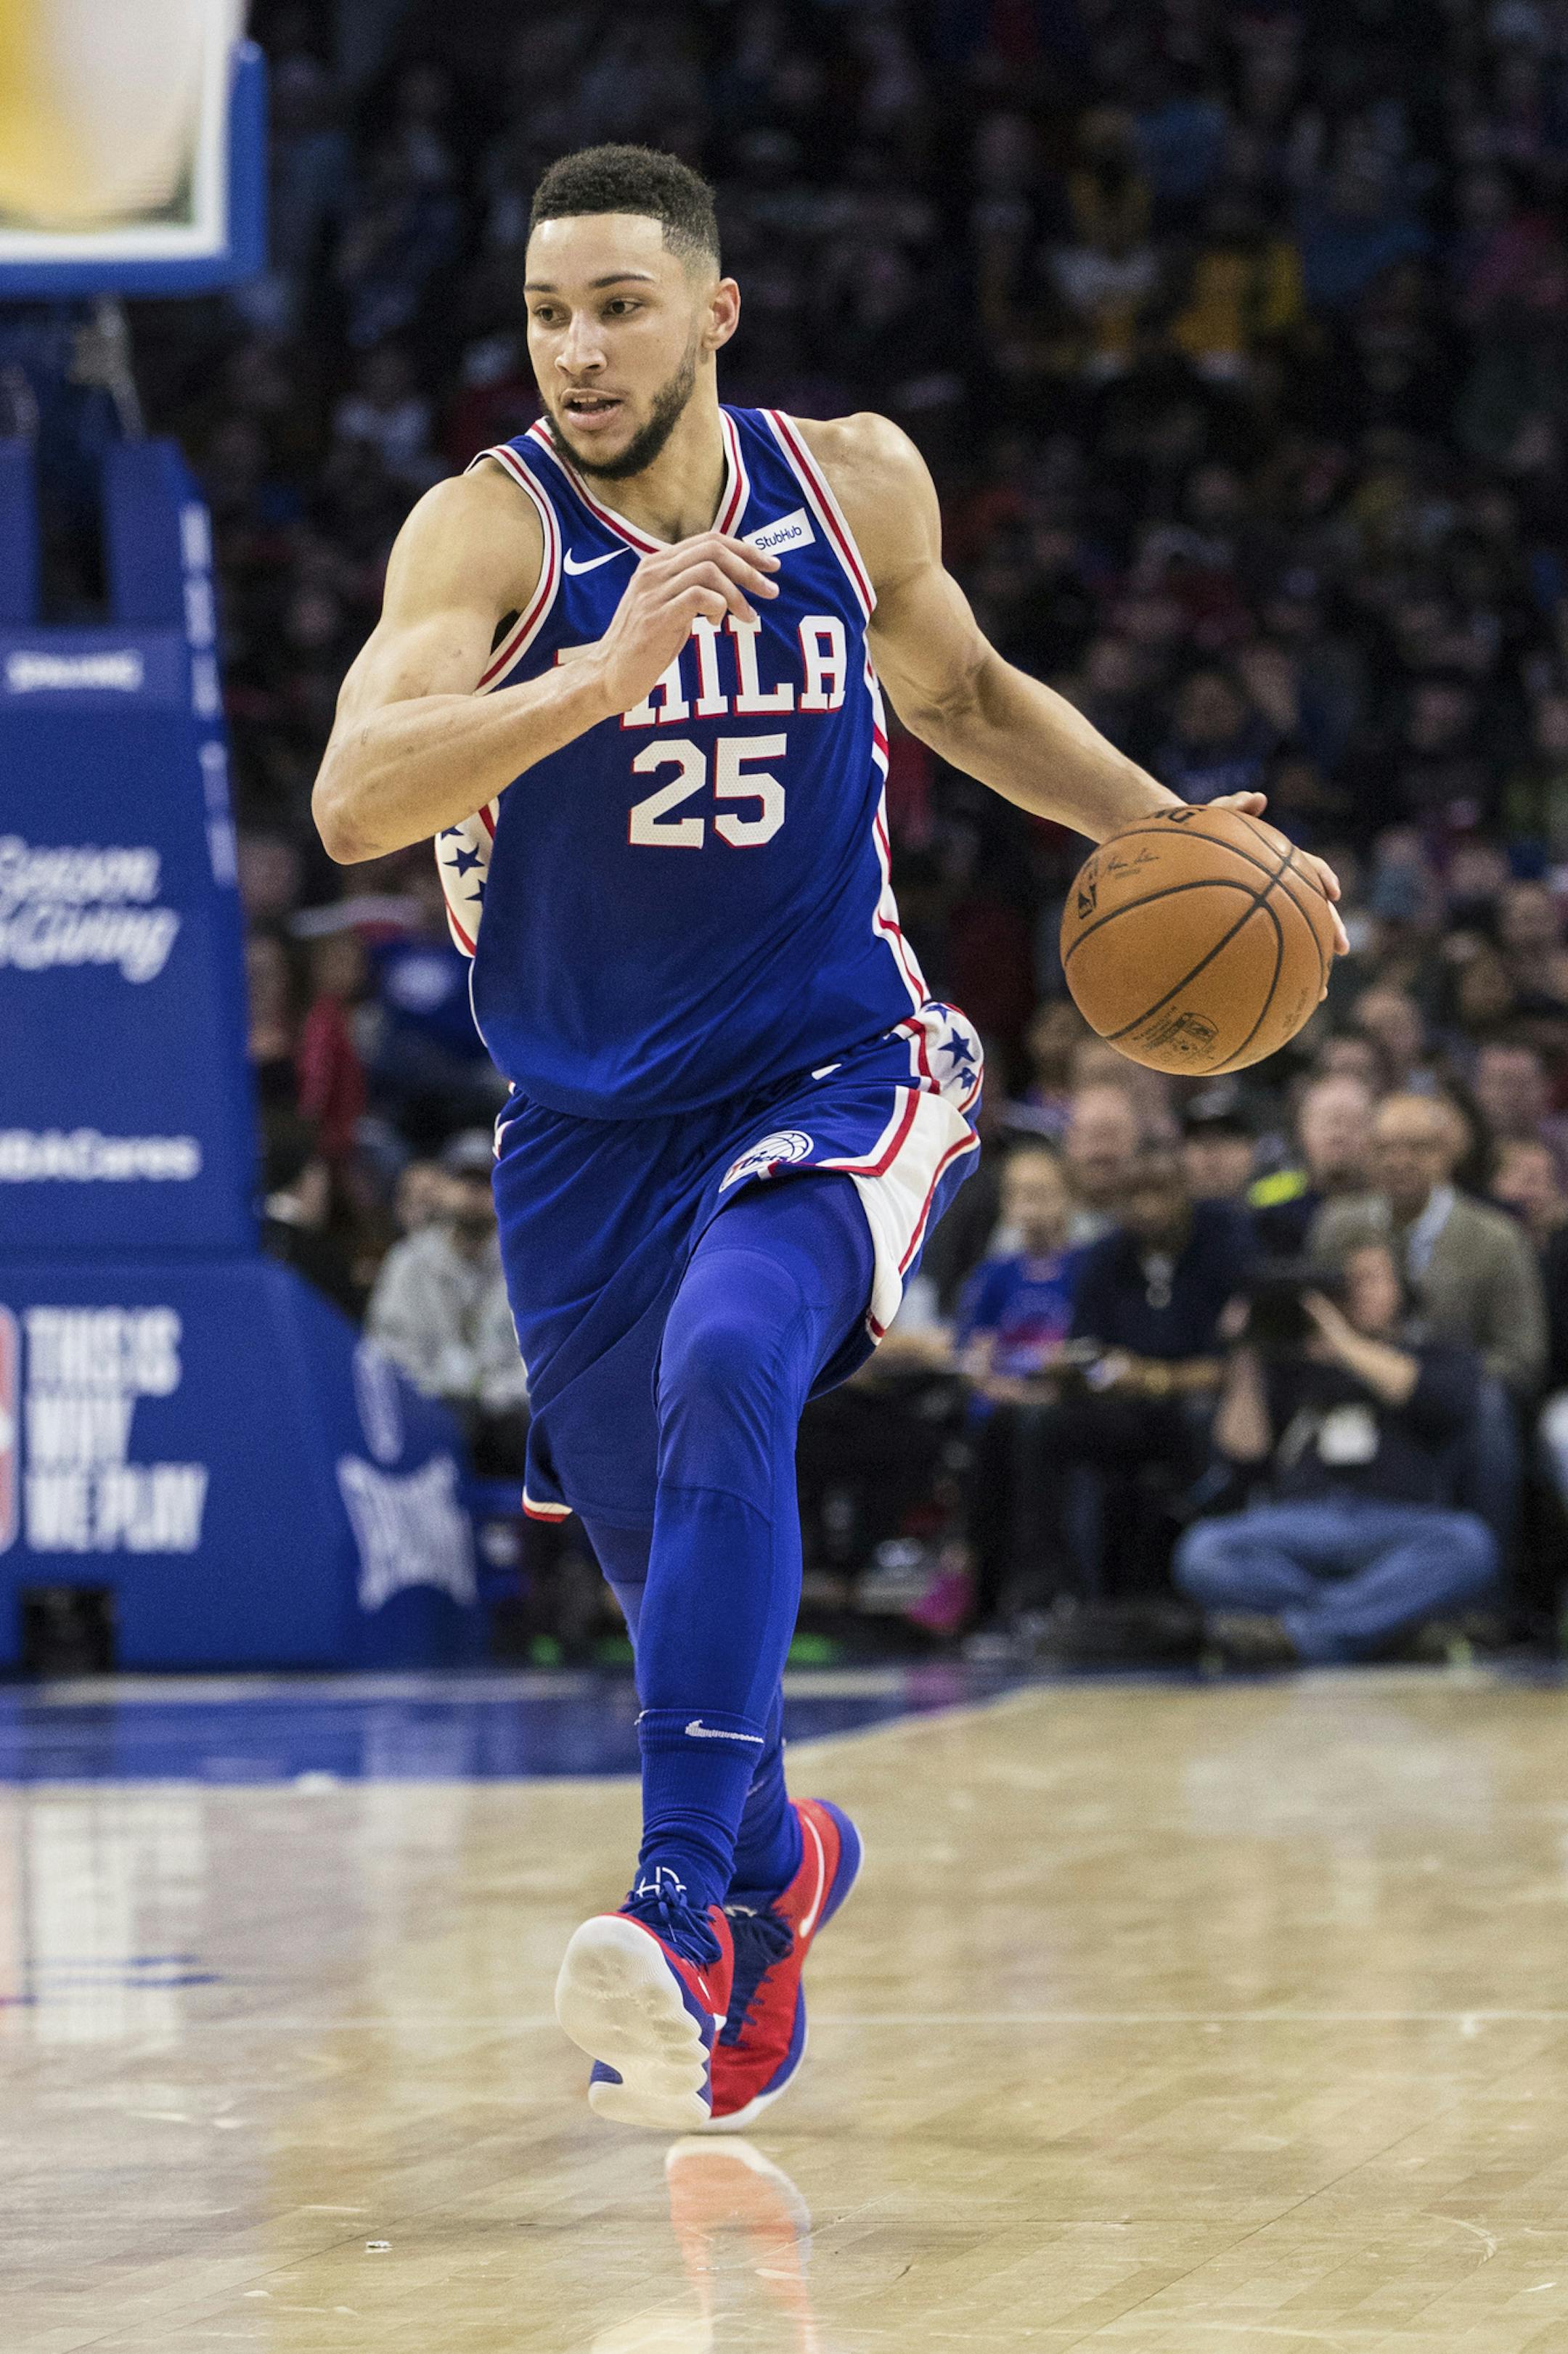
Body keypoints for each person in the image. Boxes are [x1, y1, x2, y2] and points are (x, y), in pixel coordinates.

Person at [311, 144, 1342, 2133]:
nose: (577, 348)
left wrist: (1179, 833)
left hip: (836, 1066)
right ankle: (783, 1865)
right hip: (584, 1131)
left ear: (713, 312)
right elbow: (359, 792)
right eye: (546, 313)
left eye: (617, 306)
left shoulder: (849, 482)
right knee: (668, 1567)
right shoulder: (489, 535)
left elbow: (956, 685)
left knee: (732, 1374)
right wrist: (597, 681)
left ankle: (686, 1905)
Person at [1175, 1242, 1497, 1664]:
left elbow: (1431, 1397)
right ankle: (1382, 1626)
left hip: (1397, 1522)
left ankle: (1302, 1633)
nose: (1356, 1291)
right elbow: (1244, 1450)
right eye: (1346, 1282)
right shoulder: (1294, 1363)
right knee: (1202, 1551)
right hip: (1302, 1521)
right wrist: (1247, 1349)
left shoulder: (1437, 1355)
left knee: (1470, 1544)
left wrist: (1342, 1344)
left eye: (1371, 1279)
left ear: (1403, 1290)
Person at [1311, 1092, 1546, 1400]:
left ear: (1448, 1152)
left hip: (1463, 1406)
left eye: (1418, 1148)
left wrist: (1437, 1383)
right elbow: (1317, 1322)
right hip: (1356, 1391)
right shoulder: (1337, 1224)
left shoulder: (1497, 1239)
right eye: (1384, 1148)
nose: (1399, 1161)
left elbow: (1522, 1358)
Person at [365, 1129, 530, 1468]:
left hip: (503, 1424)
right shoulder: (409, 1262)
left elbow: (538, 1365)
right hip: (426, 1417)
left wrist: (487, 1398)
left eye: (485, 1182)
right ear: (444, 1189)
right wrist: (440, 1391)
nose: (473, 1192)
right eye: (463, 1180)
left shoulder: (527, 1266)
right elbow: (387, 1352)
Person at [1248, 1072, 1374, 1254]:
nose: (1339, 1135)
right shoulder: (1266, 1199)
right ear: (1302, 1132)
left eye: (1352, 1123)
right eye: (1328, 1122)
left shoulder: (1390, 1204)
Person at [1062, 1080, 1144, 1243]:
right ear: (1069, 1141)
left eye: (1112, 1135)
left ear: (1136, 1139)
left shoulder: (1164, 1224)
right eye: (1092, 1136)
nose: (1102, 1151)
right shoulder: (1039, 1223)